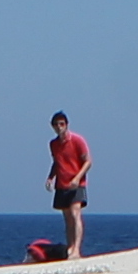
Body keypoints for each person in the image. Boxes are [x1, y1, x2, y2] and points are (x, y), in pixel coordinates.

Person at [46, 112, 90, 261]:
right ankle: (70, 247)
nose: (59, 127)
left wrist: (77, 178)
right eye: (56, 125)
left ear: (66, 125)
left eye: (62, 124)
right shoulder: (53, 144)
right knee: (67, 218)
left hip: (76, 184)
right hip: (62, 184)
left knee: (75, 213)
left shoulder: (77, 141)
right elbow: (57, 162)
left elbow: (88, 161)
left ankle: (77, 249)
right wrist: (50, 178)